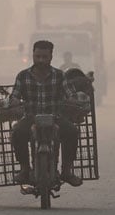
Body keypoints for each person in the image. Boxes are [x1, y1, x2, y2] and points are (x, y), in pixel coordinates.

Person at [8, 40, 83, 187]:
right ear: (33, 56)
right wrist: (14, 102)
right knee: (17, 132)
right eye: (38, 56)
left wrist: (74, 101)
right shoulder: (23, 76)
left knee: (72, 132)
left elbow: (71, 94)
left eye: (44, 57)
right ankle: (24, 169)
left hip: (56, 118)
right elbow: (14, 96)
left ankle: (67, 170)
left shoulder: (60, 76)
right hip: (31, 118)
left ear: (51, 57)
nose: (41, 60)